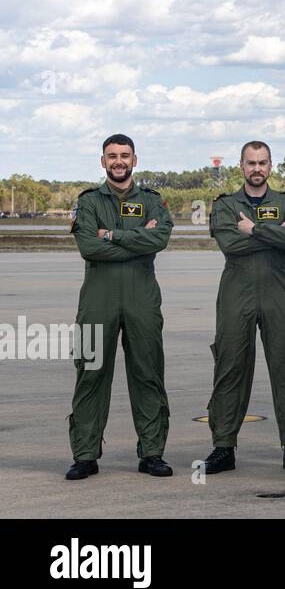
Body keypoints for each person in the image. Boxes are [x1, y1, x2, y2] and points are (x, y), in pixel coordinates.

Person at [66, 134, 175, 480]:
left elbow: (159, 239)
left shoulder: (153, 201)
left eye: (124, 155)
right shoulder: (88, 201)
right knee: (91, 374)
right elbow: (88, 248)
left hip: (142, 301)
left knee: (148, 373)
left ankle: (152, 453)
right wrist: (138, 240)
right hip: (97, 303)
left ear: (134, 160)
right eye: (112, 156)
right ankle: (85, 455)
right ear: (103, 162)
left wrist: (111, 235)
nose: (118, 161)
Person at [203, 141, 285, 475]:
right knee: (230, 364)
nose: (257, 168)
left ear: (270, 165)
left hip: (279, 290)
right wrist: (275, 233)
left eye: (262, 162)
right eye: (251, 163)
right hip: (237, 290)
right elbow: (230, 243)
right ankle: (223, 447)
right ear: (241, 166)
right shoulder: (226, 205)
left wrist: (254, 229)